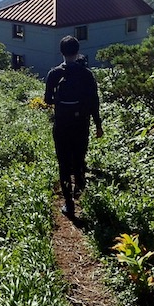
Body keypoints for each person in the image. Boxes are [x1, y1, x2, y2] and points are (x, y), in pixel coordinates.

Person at [44, 35, 103, 216]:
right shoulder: (86, 74)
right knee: (79, 157)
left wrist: (60, 103)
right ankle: (80, 188)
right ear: (77, 52)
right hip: (81, 123)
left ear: (61, 52)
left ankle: (69, 204)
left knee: (63, 162)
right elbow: (94, 101)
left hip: (62, 124)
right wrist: (98, 125)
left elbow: (47, 100)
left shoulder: (54, 74)